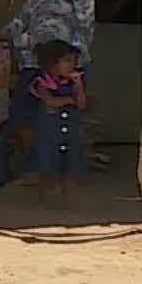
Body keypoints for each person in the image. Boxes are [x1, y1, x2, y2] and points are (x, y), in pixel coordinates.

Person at [0, 0, 97, 170]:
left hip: (60, 65)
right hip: (34, 59)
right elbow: (28, 12)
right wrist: (5, 34)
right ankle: (35, 170)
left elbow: (86, 23)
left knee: (59, 121)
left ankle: (59, 175)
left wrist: (72, 63)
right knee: (24, 114)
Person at [27, 40, 88, 206]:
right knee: (47, 169)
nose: (72, 66)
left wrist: (78, 86)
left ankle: (67, 200)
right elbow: (49, 101)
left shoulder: (73, 84)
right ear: (52, 64)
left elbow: (82, 104)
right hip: (48, 134)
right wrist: (69, 99)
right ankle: (45, 200)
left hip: (69, 134)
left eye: (74, 62)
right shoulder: (41, 82)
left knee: (69, 170)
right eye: (67, 61)